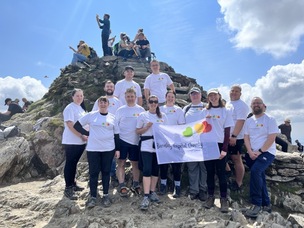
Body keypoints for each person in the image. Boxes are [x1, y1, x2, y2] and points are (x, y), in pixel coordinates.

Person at [74, 96, 120, 208]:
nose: (103, 104)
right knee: (93, 173)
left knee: (106, 172)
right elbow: (76, 125)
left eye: (105, 102)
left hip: (108, 149)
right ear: (98, 104)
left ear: (108, 104)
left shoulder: (113, 117)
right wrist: (87, 133)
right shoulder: (91, 115)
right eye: (101, 102)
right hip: (93, 149)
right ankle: (93, 196)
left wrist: (117, 149)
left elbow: (117, 135)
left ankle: (105, 196)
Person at [243, 97, 279, 218]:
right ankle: (266, 204)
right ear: (251, 106)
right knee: (260, 176)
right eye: (254, 103)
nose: (256, 105)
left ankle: (256, 204)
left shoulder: (270, 119)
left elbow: (272, 137)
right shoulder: (248, 121)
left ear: (264, 105)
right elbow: (246, 138)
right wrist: (249, 151)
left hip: (267, 152)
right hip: (252, 153)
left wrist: (259, 151)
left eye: (258, 103)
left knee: (256, 171)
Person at [202, 88, 234, 213]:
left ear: (219, 96)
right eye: (210, 96)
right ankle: (210, 197)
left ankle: (224, 199)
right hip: (208, 145)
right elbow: (199, 128)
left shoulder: (225, 111)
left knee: (221, 174)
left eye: (215, 95)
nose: (213, 98)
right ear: (208, 98)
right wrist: (206, 120)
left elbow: (227, 132)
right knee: (210, 173)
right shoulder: (205, 111)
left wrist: (225, 149)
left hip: (220, 145)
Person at [136, 95, 167, 210]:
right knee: (147, 170)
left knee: (155, 170)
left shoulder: (163, 116)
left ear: (158, 103)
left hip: (158, 147)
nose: (153, 103)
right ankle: (146, 195)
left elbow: (167, 131)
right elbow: (137, 131)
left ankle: (152, 191)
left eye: (155, 102)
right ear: (148, 103)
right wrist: (146, 128)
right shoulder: (143, 115)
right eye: (151, 102)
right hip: (146, 146)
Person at [115, 88, 145, 197]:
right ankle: (122, 185)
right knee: (121, 163)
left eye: (132, 96)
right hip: (122, 140)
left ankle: (135, 184)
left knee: (135, 164)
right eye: (128, 96)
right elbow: (116, 127)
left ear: (135, 97)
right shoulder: (120, 110)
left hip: (136, 141)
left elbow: (144, 125)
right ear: (125, 97)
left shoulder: (141, 110)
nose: (130, 98)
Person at [92, 80, 122, 186]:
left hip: (113, 131)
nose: (109, 88)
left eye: (111, 86)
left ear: (114, 89)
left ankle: (112, 175)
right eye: (107, 86)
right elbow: (93, 114)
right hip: (99, 132)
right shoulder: (99, 100)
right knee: (99, 155)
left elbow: (120, 116)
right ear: (104, 88)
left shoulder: (118, 101)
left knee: (112, 155)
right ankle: (99, 175)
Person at [62, 89, 87, 200]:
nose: (79, 97)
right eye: (77, 95)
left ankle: (73, 183)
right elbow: (70, 124)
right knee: (70, 163)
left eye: (81, 96)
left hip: (80, 141)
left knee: (74, 163)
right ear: (72, 96)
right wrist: (81, 135)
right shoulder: (69, 108)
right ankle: (68, 187)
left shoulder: (81, 108)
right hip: (72, 140)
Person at [159, 91, 185, 198]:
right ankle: (163, 185)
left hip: (175, 142)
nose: (170, 98)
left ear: (175, 98)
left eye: (172, 97)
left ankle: (177, 187)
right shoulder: (160, 109)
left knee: (176, 166)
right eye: (168, 97)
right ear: (165, 97)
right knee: (163, 164)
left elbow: (182, 125)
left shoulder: (179, 110)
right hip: (163, 141)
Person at [182, 87, 207, 201]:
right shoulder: (186, 109)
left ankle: (203, 190)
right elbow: (181, 125)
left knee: (204, 167)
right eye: (193, 94)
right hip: (190, 142)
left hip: (205, 142)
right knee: (192, 167)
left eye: (197, 94)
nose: (195, 96)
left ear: (201, 95)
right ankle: (194, 191)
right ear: (190, 96)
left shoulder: (207, 107)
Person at [226, 85, 249, 191]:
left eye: (237, 91)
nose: (234, 93)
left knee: (236, 159)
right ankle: (228, 171)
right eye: (232, 91)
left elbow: (241, 121)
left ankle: (238, 183)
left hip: (236, 137)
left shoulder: (242, 105)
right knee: (220, 156)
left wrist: (234, 136)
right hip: (226, 136)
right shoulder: (228, 103)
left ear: (240, 93)